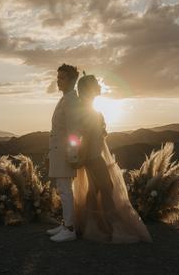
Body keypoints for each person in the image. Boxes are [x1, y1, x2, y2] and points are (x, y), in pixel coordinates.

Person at [73, 74, 152, 243]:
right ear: (89, 89)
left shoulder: (87, 110)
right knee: (107, 189)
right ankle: (116, 229)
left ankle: (90, 227)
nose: (98, 88)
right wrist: (83, 157)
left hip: (91, 156)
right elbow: (85, 138)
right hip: (94, 157)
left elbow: (88, 136)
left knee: (93, 191)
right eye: (95, 85)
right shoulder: (90, 112)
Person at [46, 63, 81, 242]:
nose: (58, 81)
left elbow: (74, 131)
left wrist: (73, 154)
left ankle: (70, 229)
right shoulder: (65, 98)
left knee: (66, 190)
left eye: (62, 78)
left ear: (72, 80)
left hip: (66, 153)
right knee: (62, 189)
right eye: (57, 77)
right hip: (58, 152)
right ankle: (65, 223)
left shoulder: (72, 100)